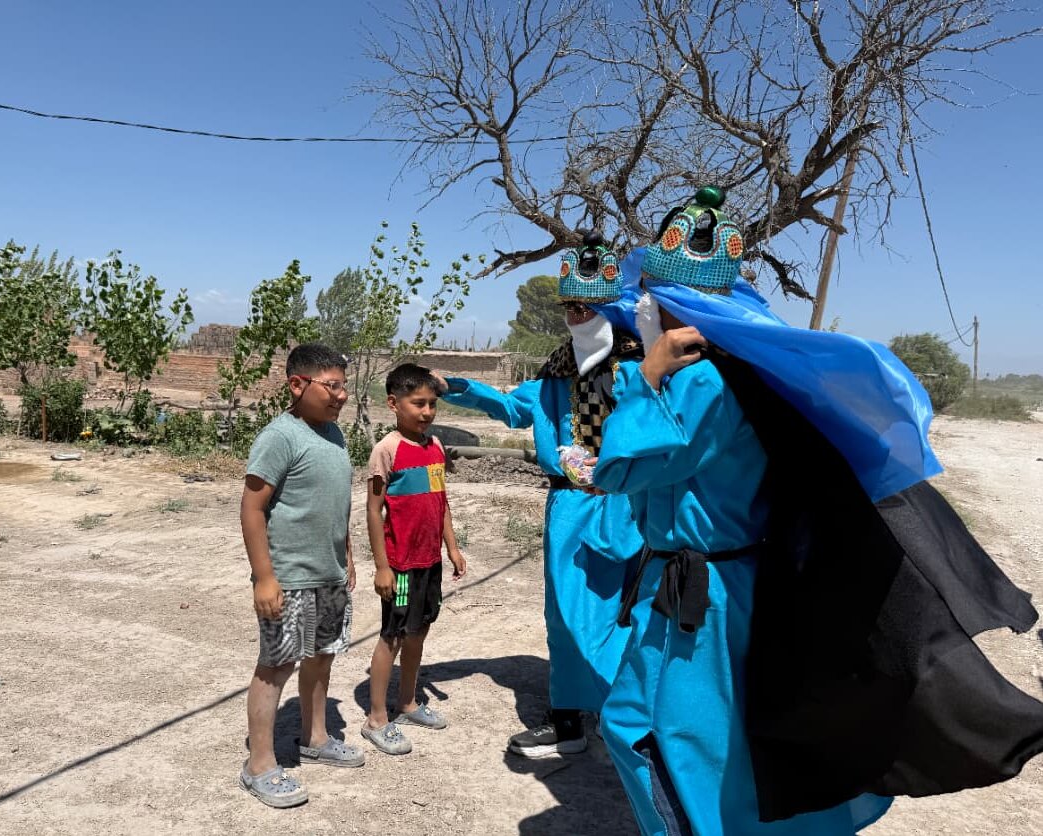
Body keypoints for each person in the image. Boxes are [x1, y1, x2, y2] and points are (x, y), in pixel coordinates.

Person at [593, 187, 1043, 834]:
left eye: (649, 301)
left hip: (704, 598)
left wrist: (645, 378)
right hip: (715, 585)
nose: (641, 311)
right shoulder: (735, 371)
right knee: (715, 741)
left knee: (657, 737)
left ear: (673, 308)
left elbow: (620, 469)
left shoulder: (701, 382)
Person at [436, 232, 644, 757]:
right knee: (568, 612)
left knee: (630, 610)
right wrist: (460, 387)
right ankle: (570, 720)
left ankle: (629, 716)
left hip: (631, 506)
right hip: (571, 508)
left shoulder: (644, 366)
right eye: (570, 307)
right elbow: (514, 406)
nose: (576, 316)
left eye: (586, 306)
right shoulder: (556, 370)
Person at [239, 342, 363, 809]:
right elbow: (252, 509)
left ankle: (315, 737)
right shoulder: (280, 436)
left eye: (343, 386)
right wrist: (263, 578)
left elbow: (336, 502)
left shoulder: (334, 435)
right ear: (298, 384)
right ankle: (260, 765)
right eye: (331, 386)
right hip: (288, 577)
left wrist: (347, 552)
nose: (341, 396)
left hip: (328, 573)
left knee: (322, 656)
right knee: (276, 667)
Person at [362, 363, 467, 755]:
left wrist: (452, 547)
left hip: (429, 561)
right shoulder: (386, 451)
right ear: (394, 403)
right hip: (401, 565)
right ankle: (376, 718)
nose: (426, 412)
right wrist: (382, 566)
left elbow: (441, 504)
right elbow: (374, 511)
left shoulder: (435, 447)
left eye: (432, 404)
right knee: (392, 635)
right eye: (417, 403)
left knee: (419, 631)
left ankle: (407, 703)